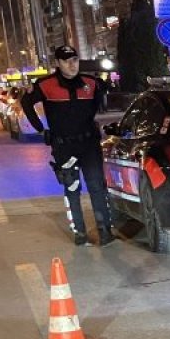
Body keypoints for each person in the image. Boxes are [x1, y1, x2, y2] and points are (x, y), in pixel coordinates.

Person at [21, 45, 114, 246]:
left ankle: (105, 230)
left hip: (89, 144)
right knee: (72, 188)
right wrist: (40, 129)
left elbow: (104, 99)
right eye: (66, 61)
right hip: (64, 146)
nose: (72, 65)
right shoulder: (46, 85)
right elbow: (26, 102)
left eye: (75, 60)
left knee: (97, 186)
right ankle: (80, 233)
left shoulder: (90, 83)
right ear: (58, 63)